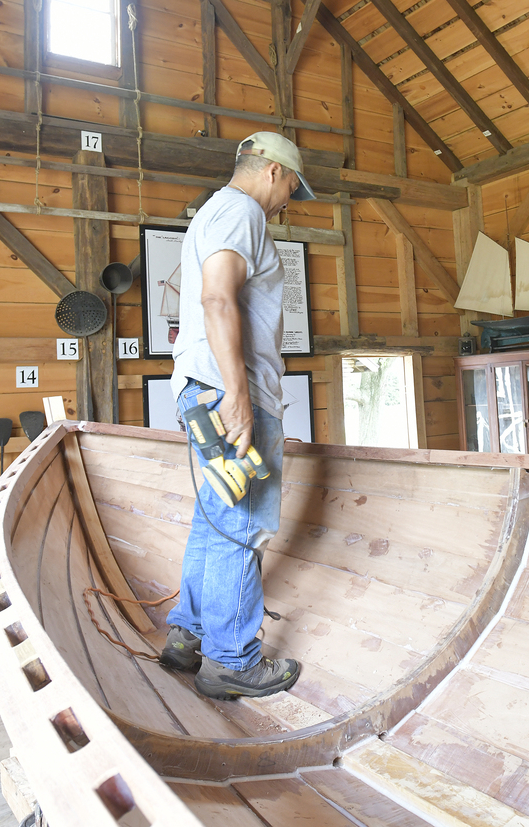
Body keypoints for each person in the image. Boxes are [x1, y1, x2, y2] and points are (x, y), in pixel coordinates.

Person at [158, 131, 314, 699]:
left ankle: (187, 636)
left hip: (203, 387)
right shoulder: (243, 210)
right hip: (231, 389)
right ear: (273, 171)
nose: (290, 198)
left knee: (217, 517)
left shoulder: (213, 213)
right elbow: (218, 298)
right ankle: (232, 661)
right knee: (243, 523)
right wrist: (239, 395)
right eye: (293, 185)